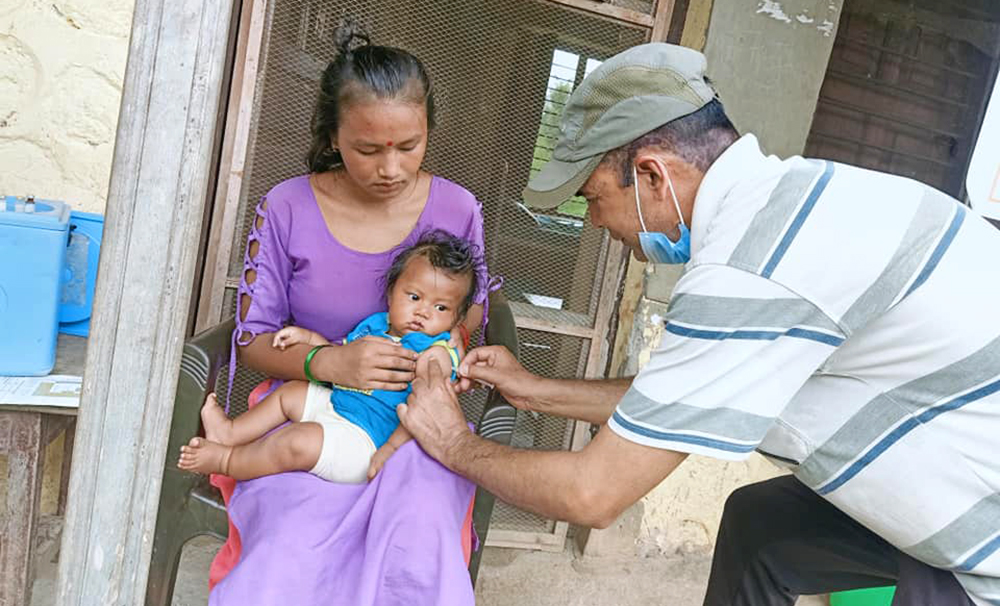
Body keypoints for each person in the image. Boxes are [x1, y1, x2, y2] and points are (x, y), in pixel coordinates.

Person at [398, 43, 999, 605]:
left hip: (986, 535)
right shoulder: (791, 202)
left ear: (653, 175)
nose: (597, 224)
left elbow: (593, 493)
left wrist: (453, 442)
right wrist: (535, 390)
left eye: (593, 197)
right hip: (965, 467)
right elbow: (673, 401)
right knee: (763, 529)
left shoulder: (750, 269)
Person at [207, 22, 488, 605]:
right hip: (304, 413)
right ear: (334, 137)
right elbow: (253, 341)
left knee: (417, 539)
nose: (391, 168)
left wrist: (439, 351)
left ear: (428, 131)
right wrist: (332, 362)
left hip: (412, 427)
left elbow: (473, 314)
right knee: (291, 542)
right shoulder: (286, 206)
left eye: (409, 147)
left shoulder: (458, 208)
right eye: (368, 149)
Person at [179, 232, 477, 483]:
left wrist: (389, 451)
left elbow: (423, 412)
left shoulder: (435, 353)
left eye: (441, 308)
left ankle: (228, 460)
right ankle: (230, 432)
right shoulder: (376, 324)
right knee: (290, 393)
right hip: (339, 405)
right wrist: (308, 339)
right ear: (391, 293)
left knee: (296, 442)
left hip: (366, 440)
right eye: (414, 297)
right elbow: (343, 358)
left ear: (456, 318)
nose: (423, 312)